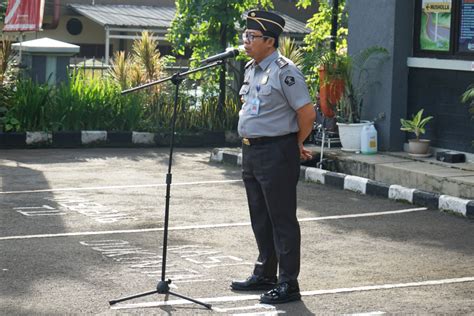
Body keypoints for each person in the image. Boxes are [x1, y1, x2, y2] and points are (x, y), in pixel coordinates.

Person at [230, 10, 316, 304]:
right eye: (245, 35)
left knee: (282, 220)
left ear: (269, 40)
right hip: (251, 151)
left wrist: (296, 142)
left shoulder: (285, 71)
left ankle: (288, 283)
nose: (246, 41)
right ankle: (265, 274)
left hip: (277, 151)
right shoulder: (250, 69)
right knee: (260, 218)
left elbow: (306, 113)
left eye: (251, 36)